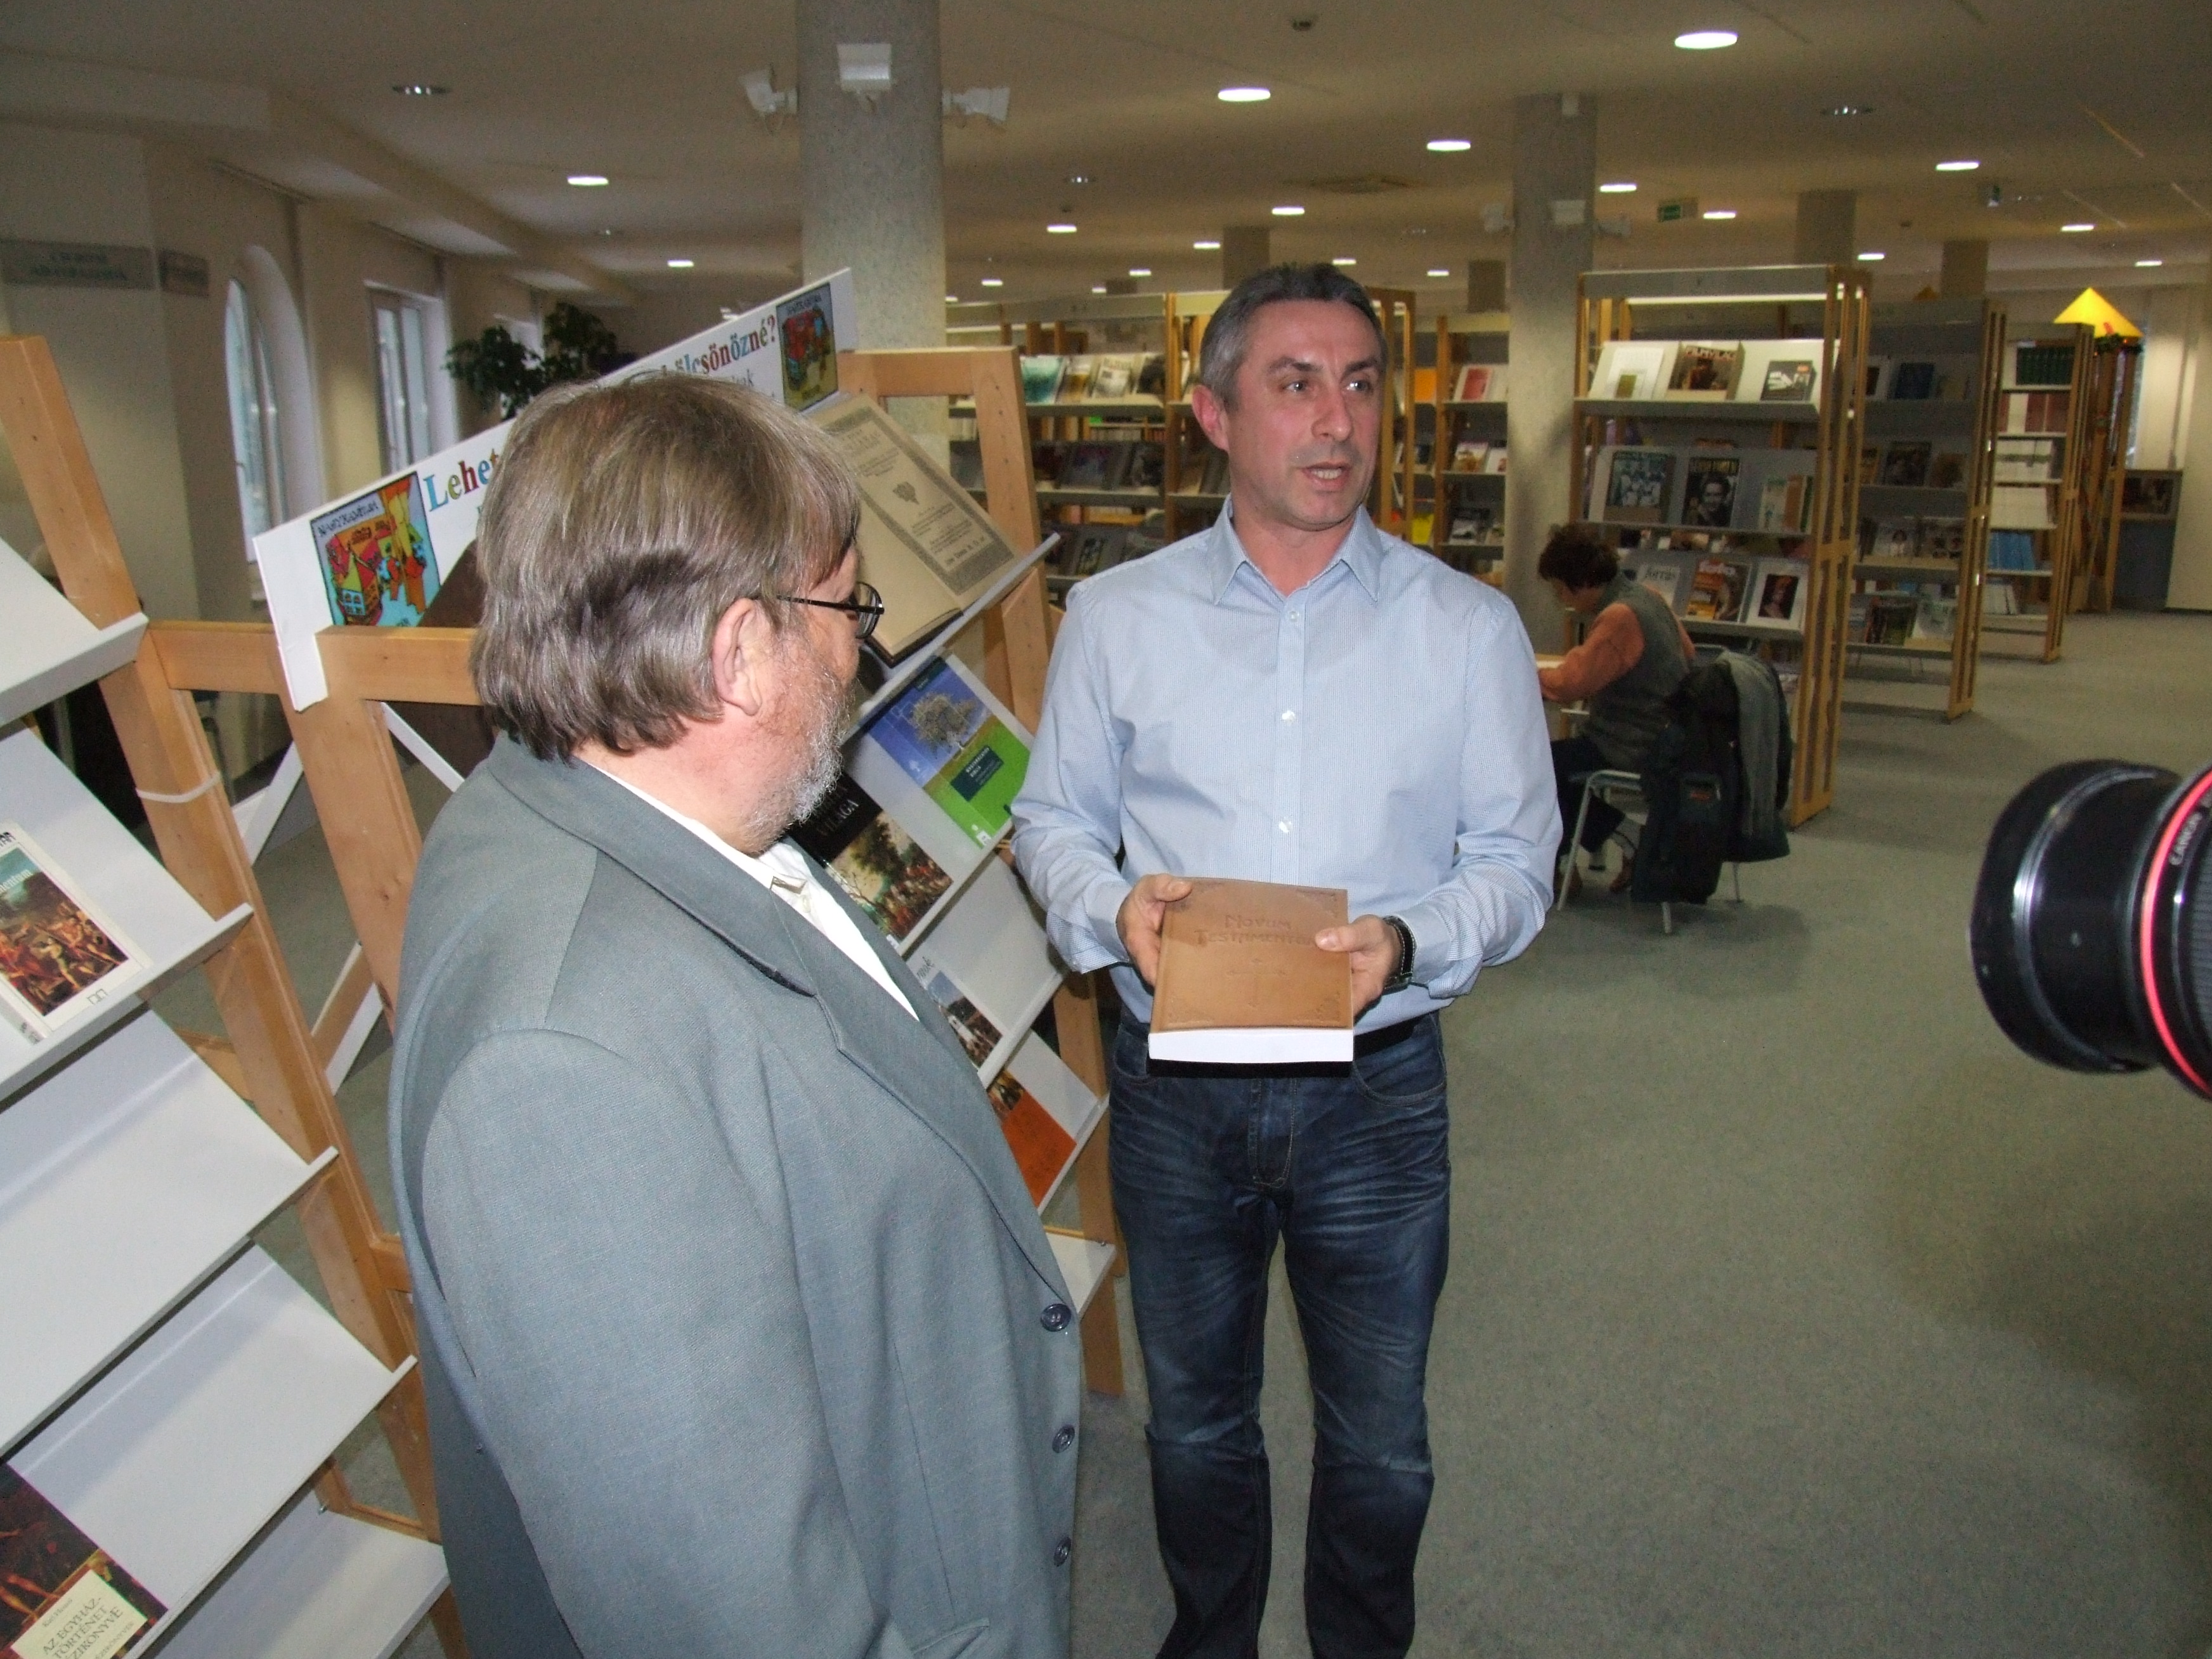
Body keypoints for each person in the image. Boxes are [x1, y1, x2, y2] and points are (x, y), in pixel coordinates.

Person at [388, 375, 1083, 1659]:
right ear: (739, 651)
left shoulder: (626, 802)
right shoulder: (563, 1064)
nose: (859, 654)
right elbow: (727, 1608)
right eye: (845, 609)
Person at [1012, 264, 1556, 1659]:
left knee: (1380, 1444)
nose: (1337, 420)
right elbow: (1051, 822)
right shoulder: (1117, 616)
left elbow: (1515, 862)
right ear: (1212, 414)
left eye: (1360, 385)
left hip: (1375, 1091)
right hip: (1175, 1081)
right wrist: (1112, 912)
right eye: (1295, 384)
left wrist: (1412, 941)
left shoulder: (1466, 628)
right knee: (1194, 1425)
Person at [1536, 523, 1696, 892]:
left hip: (1630, 742)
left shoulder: (1619, 617)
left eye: (1560, 588)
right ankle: (1571, 863)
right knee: (1554, 765)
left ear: (1579, 582)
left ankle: (1625, 842)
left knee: (1537, 769)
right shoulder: (1649, 597)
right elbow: (1688, 653)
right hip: (1664, 733)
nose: (1561, 597)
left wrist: (1526, 676)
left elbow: (1572, 684)